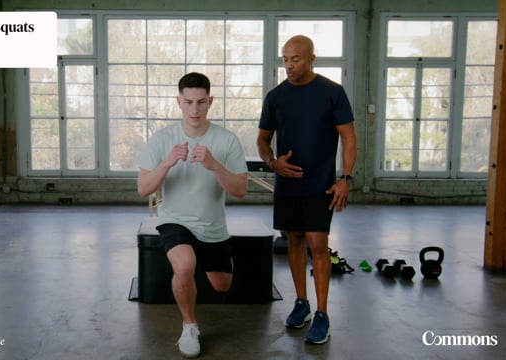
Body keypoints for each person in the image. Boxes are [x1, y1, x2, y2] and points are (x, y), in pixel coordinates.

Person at [137, 72, 248, 358]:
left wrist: (214, 166)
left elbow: (240, 190)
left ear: (210, 101)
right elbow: (142, 188)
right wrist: (167, 163)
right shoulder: (162, 140)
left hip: (212, 226)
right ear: (179, 102)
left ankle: (213, 259)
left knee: (221, 285)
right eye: (188, 102)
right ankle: (189, 326)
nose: (195, 109)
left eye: (201, 102)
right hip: (175, 220)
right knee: (185, 266)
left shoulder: (226, 140)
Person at [256, 35, 358, 344]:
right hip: (288, 184)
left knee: (318, 244)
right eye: (285, 59)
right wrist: (273, 163)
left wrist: (346, 178)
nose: (288, 64)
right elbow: (262, 140)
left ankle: (323, 314)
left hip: (320, 184)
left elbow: (349, 137)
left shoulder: (332, 93)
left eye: (295, 59)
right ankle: (302, 303)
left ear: (312, 58)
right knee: (295, 241)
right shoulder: (275, 97)